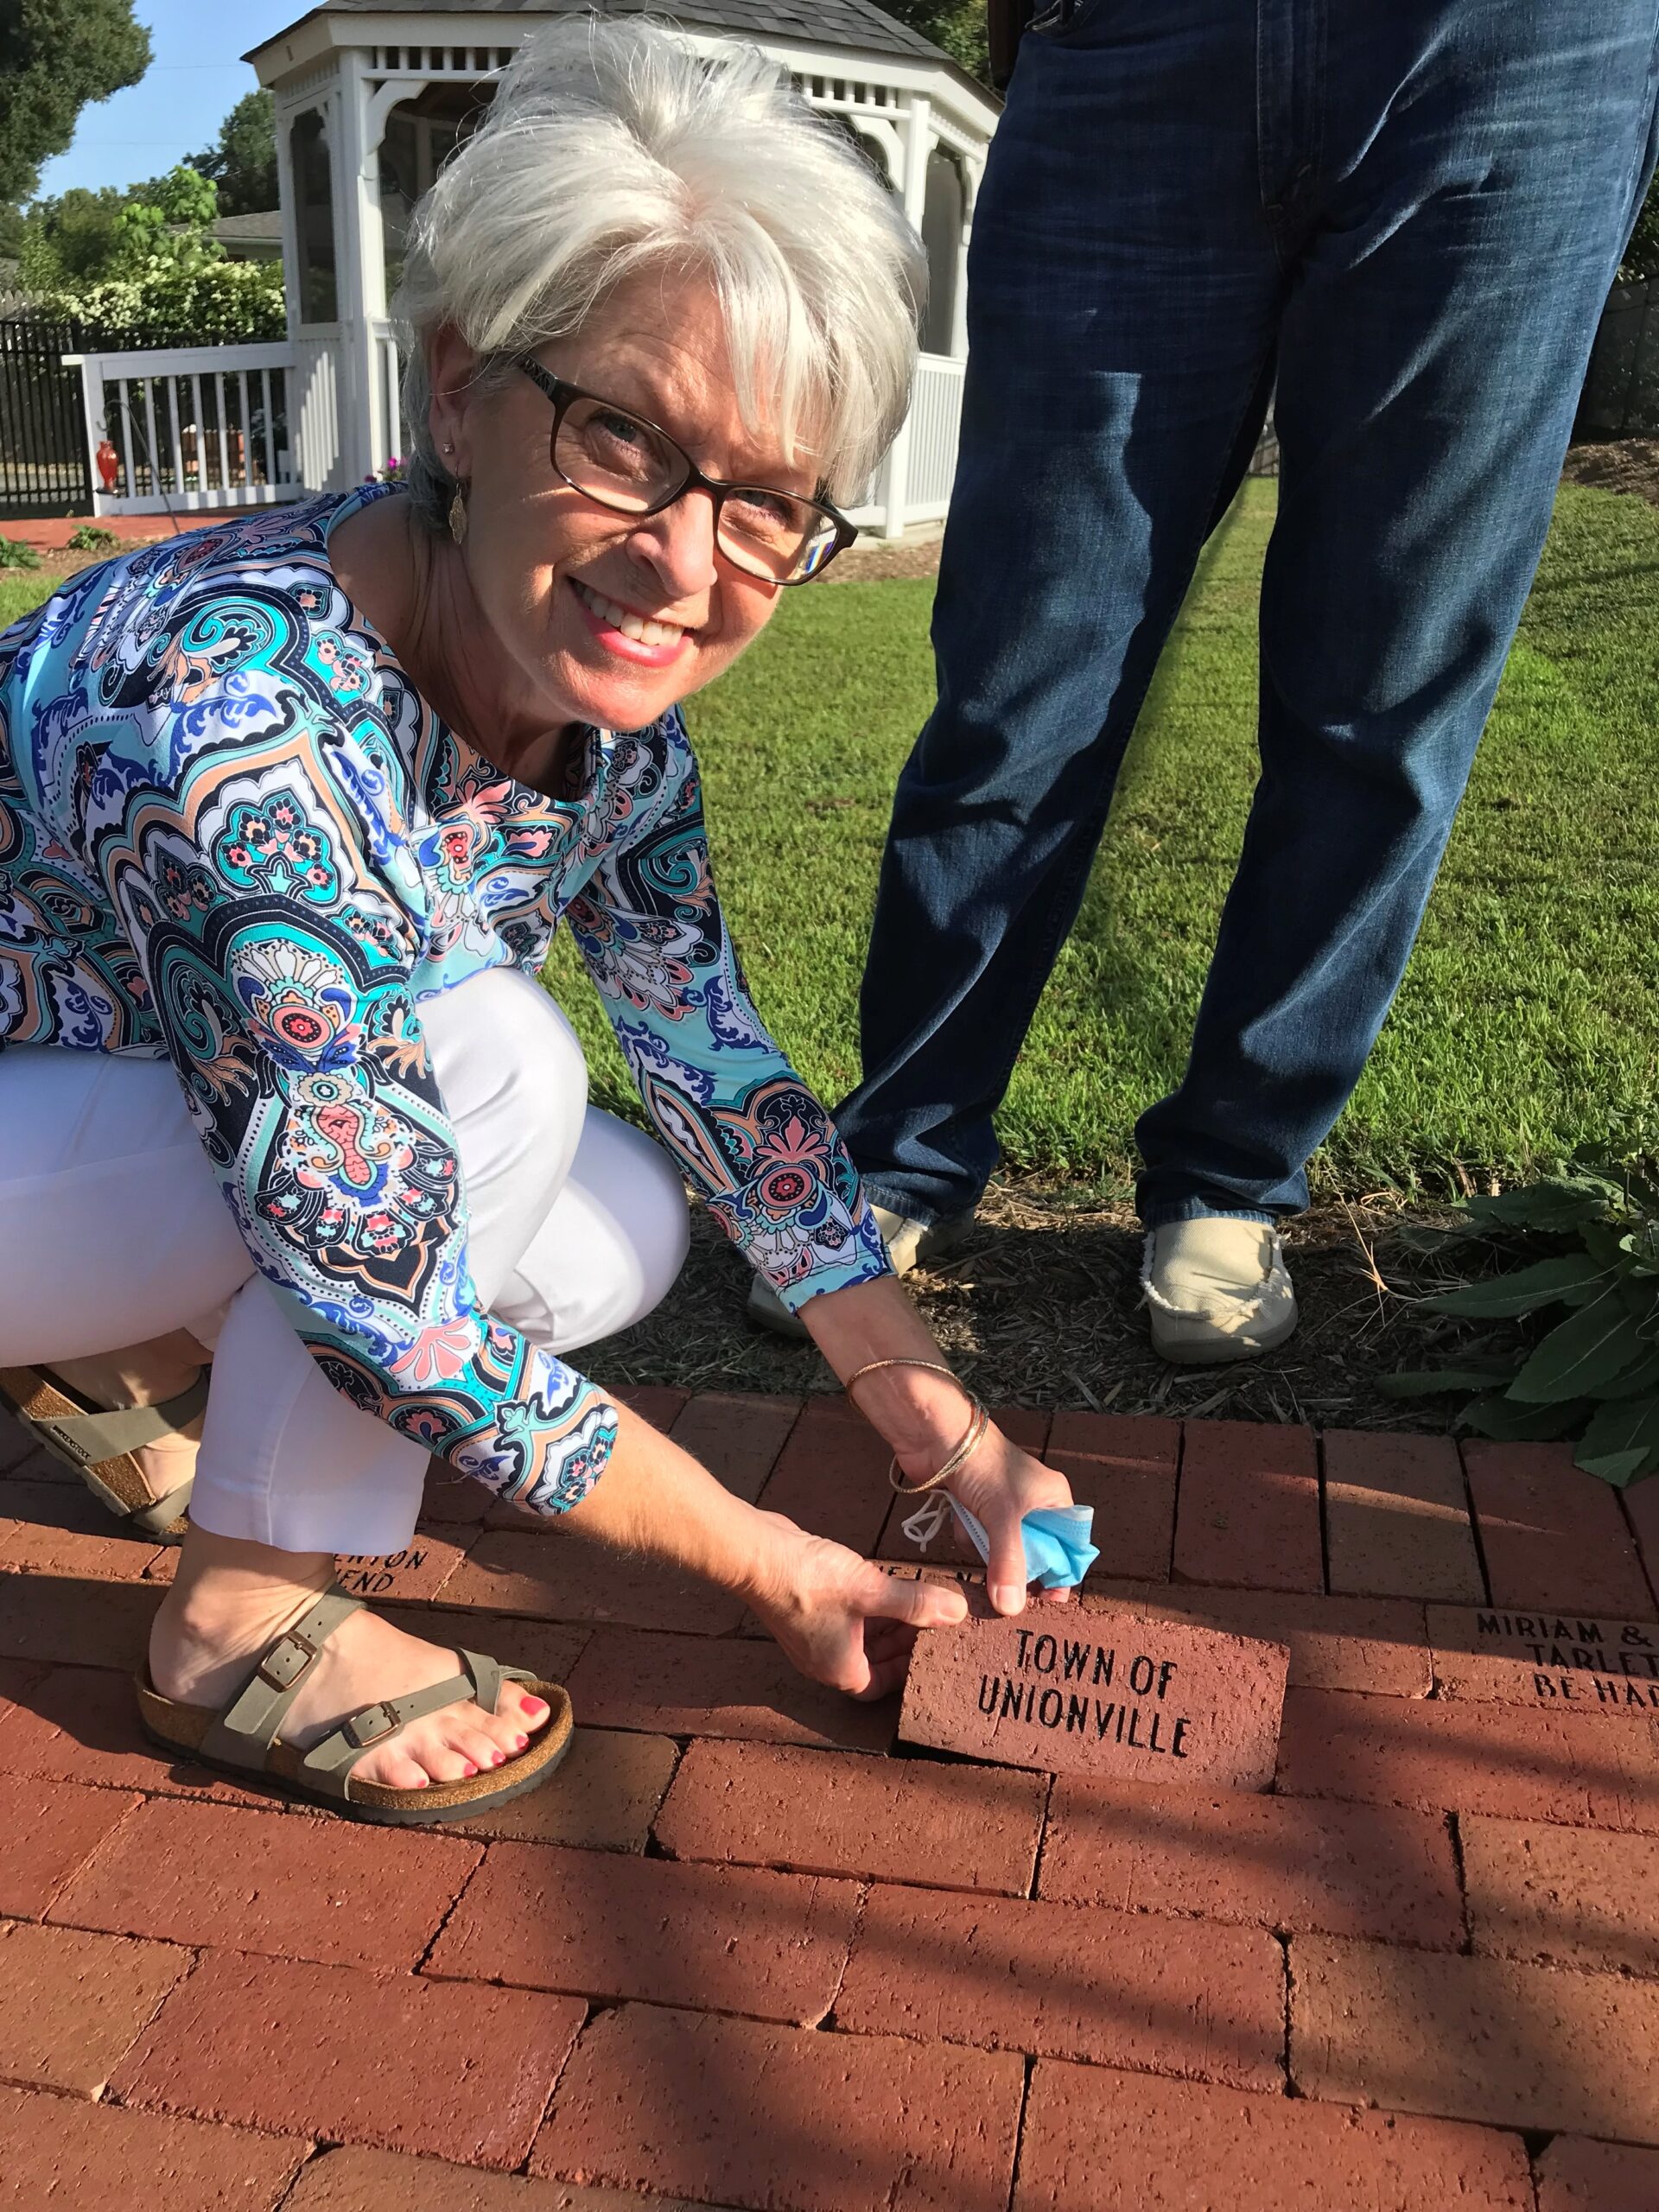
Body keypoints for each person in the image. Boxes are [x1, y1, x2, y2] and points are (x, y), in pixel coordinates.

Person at [0, 21, 1072, 1825]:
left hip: (82, 1092)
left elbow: (720, 1075)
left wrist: (940, 1426)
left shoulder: (599, 733)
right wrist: (769, 1563)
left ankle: (117, 1352)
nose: (682, 560)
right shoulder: (238, 712)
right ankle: (239, 1614)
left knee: (621, 1222)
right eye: (624, 434)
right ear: (455, 391)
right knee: (487, 1062)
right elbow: (384, 1296)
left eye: (768, 503)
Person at [752, 0, 1659, 1363]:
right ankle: (900, 1145)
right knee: (1021, 677)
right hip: (1133, 40)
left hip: (1524, 49)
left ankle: (1231, 1175)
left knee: (1386, 689)